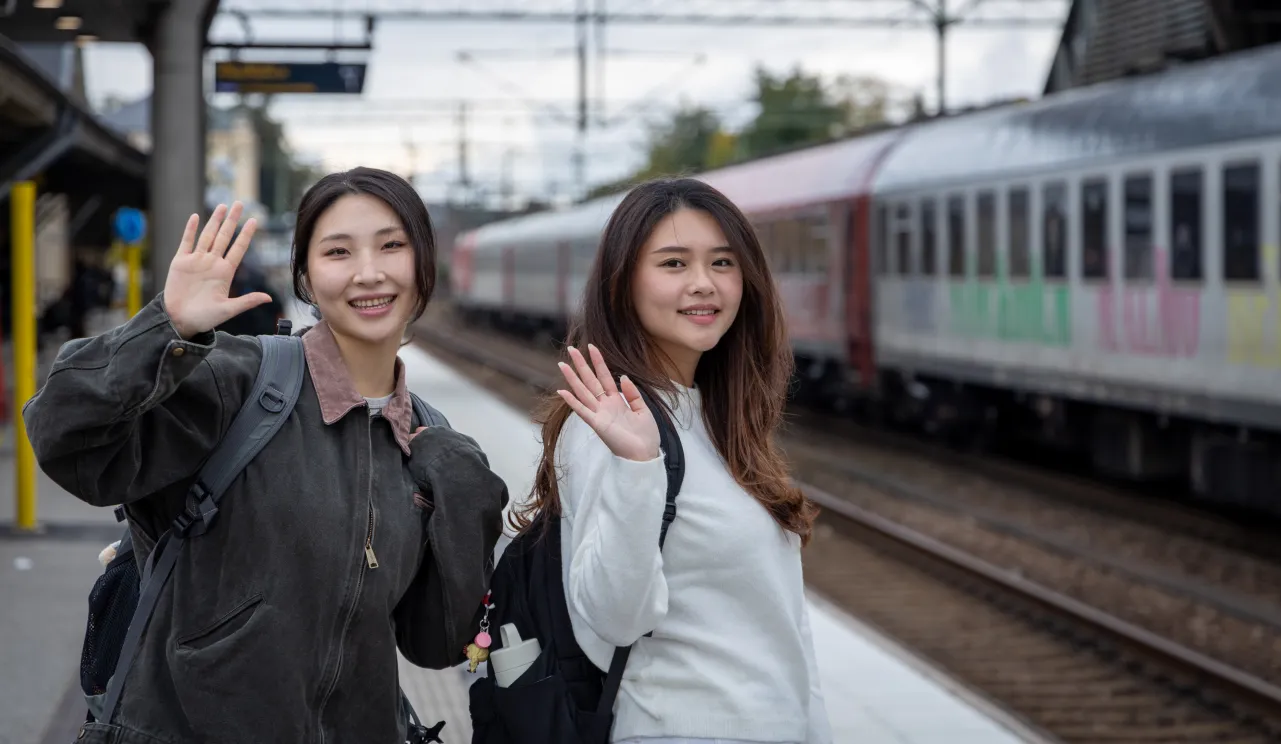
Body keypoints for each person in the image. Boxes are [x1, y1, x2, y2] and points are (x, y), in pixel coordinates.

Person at [24, 168, 509, 744]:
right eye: (337, 251)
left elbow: (438, 644)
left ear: (423, 265)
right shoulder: (239, 384)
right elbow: (63, 434)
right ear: (304, 276)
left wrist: (466, 493)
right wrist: (164, 328)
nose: (369, 272)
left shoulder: (431, 439)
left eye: (391, 246)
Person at [516, 177, 832, 743]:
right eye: (673, 264)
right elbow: (610, 621)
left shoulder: (718, 420)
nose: (703, 284)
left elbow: (783, 629)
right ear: (623, 284)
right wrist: (638, 467)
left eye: (722, 263)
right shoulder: (608, 427)